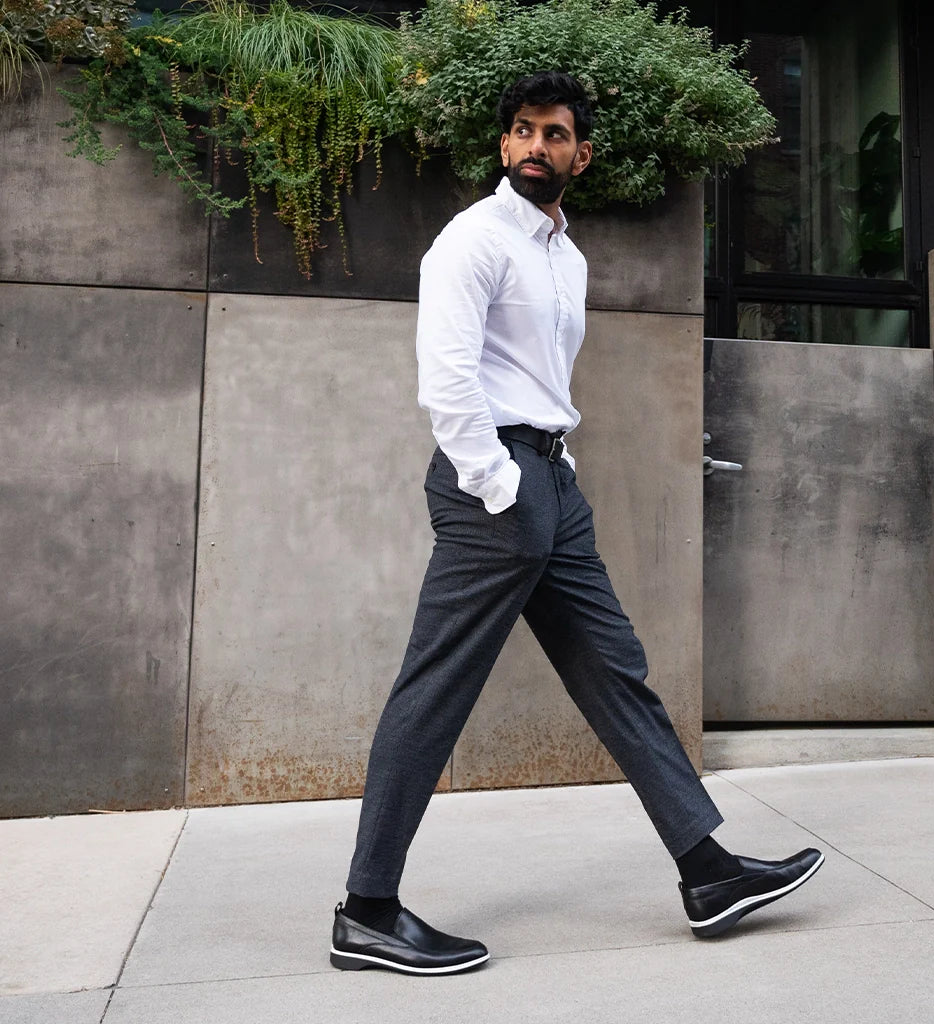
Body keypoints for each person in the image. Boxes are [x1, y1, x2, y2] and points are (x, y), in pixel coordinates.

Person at [330, 71, 823, 976]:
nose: (532, 147)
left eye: (552, 135)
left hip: (551, 480)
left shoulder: (567, 256)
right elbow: (448, 384)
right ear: (502, 146)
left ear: (579, 156)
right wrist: (500, 486)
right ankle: (367, 908)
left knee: (617, 674)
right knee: (435, 689)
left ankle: (707, 872)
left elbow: (544, 384)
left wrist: (554, 478)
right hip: (498, 491)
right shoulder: (471, 241)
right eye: (520, 131)